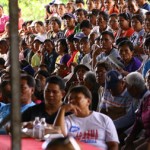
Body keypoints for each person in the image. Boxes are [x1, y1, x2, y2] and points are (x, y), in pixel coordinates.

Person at [54, 85, 119, 150]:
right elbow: (58, 139)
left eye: (77, 98)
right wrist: (61, 110)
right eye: (69, 99)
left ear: (88, 101)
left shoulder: (104, 119)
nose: (72, 101)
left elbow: (113, 145)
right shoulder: (66, 120)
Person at [122, 72, 150, 150]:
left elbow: (130, 118)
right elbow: (138, 120)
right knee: (125, 147)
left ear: (133, 88)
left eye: (127, 88)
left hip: (147, 137)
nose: (148, 82)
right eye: (148, 79)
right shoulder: (146, 99)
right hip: (146, 135)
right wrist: (130, 136)